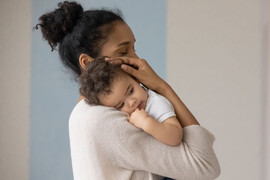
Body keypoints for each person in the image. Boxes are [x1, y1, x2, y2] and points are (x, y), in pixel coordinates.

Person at [36, 1, 221, 179]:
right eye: (124, 52)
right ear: (88, 62)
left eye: (134, 48)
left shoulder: (89, 114)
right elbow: (205, 165)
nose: (139, 60)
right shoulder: (104, 120)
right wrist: (161, 87)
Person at [80, 58, 182, 146]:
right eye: (121, 105)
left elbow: (176, 136)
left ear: (136, 80)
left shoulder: (155, 103)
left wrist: (146, 122)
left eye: (131, 91)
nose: (132, 102)